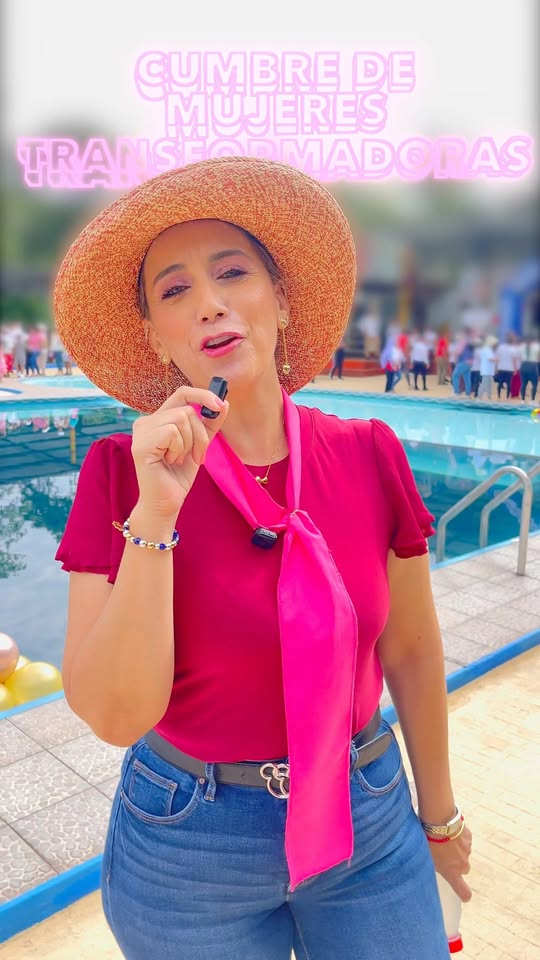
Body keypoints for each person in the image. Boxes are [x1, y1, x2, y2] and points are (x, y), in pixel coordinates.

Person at [53, 157, 471, 960]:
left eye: (232, 273)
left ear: (280, 298)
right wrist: (157, 514)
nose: (208, 302)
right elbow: (114, 715)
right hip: (188, 843)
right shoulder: (120, 474)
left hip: (366, 809)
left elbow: (412, 651)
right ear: (156, 335)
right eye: (174, 290)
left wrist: (441, 816)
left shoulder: (368, 452)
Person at [495, 333, 517, 399]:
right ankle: (507, 396)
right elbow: (514, 360)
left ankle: (499, 395)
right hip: (509, 368)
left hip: (501, 367)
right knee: (509, 383)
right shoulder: (513, 349)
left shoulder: (500, 347)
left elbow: (497, 358)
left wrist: (496, 368)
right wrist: (515, 369)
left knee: (500, 382)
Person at [519, 335, 539, 401]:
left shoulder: (521, 347)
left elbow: (519, 356)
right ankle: (532, 400)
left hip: (523, 365)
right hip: (532, 365)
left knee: (523, 383)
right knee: (535, 384)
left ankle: (522, 400)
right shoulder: (536, 346)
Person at [478, 336, 497, 400]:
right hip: (486, 371)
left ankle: (489, 397)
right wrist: (498, 359)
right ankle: (479, 397)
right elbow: (490, 359)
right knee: (484, 385)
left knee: (489, 385)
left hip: (488, 371)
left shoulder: (488, 350)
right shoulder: (487, 350)